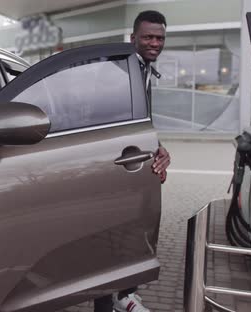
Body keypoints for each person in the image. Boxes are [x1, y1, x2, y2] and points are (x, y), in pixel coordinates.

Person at [94, 10, 171, 312]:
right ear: (134, 38)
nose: (155, 43)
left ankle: (125, 293)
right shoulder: (118, 72)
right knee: (111, 233)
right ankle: (110, 300)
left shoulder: (144, 69)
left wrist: (159, 148)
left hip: (133, 163)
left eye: (160, 38)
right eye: (149, 37)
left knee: (131, 229)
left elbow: (140, 121)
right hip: (113, 165)